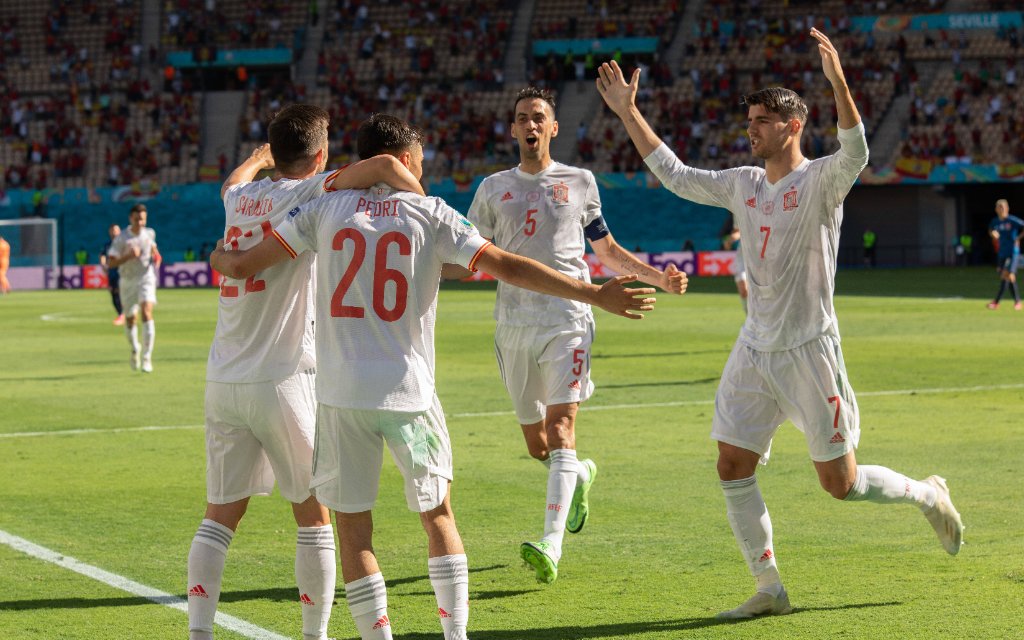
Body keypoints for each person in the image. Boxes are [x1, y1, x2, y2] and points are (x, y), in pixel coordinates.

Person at [211, 113, 658, 640]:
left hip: (339, 398)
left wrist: (223, 256)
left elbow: (248, 263)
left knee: (354, 529)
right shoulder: (431, 214)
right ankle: (455, 635)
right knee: (437, 516)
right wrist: (592, 293)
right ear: (403, 160)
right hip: (409, 394)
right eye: (419, 158)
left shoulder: (320, 211)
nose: (424, 167)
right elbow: (508, 266)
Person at [596, 28, 964, 620]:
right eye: (752, 119)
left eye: (764, 120)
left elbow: (858, 152)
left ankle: (926, 493)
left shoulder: (821, 180)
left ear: (793, 126)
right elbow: (675, 174)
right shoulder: (742, 183)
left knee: (839, 485)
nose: (753, 127)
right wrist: (629, 112)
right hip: (755, 349)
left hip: (809, 350)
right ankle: (770, 588)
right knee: (731, 464)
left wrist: (839, 80)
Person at [188, 104, 427, 640]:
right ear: (320, 155)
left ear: (275, 152)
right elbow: (387, 167)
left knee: (218, 517)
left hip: (224, 376)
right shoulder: (310, 191)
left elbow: (231, 181)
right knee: (315, 517)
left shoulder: (237, 200)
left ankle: (198, 633)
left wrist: (254, 160)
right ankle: (315, 636)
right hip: (284, 375)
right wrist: (424, 208)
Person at [465, 87, 686, 585]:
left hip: (570, 316)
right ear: (513, 128)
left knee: (562, 429)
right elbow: (469, 252)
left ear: (553, 127)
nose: (530, 125)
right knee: (539, 445)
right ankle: (580, 474)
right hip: (514, 325)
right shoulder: (491, 188)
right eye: (522, 117)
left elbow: (606, 250)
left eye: (539, 117)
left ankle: (551, 542)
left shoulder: (581, 181)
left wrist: (658, 278)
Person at [106, 203, 160, 372]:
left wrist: (157, 256)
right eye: (137, 219)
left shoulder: (149, 233)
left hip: (146, 277)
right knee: (130, 319)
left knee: (146, 311)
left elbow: (154, 250)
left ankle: (147, 357)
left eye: (143, 219)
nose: (140, 223)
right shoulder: (121, 238)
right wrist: (128, 256)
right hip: (127, 280)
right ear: (131, 218)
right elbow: (111, 262)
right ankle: (135, 348)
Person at [986, 198, 1024, 310]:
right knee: (1009, 277)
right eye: (999, 207)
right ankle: (1017, 302)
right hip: (1002, 253)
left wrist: (1018, 238)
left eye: (1003, 207)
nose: (1001, 209)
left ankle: (996, 302)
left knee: (1006, 275)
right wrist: (993, 234)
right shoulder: (995, 221)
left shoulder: (1012, 220)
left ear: (1007, 208)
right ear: (996, 209)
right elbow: (990, 229)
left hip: (1013, 253)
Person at [99, 224, 125, 325]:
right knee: (113, 292)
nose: (114, 232)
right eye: (112, 230)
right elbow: (102, 255)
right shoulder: (107, 244)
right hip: (112, 272)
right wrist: (103, 266)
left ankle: (124, 314)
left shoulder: (123, 243)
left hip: (122, 272)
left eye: (116, 230)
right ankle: (120, 314)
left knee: (120, 291)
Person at [723, 224, 748, 312]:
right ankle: (749, 319)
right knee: (743, 290)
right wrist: (730, 240)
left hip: (763, 257)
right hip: (743, 257)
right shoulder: (739, 211)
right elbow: (738, 231)